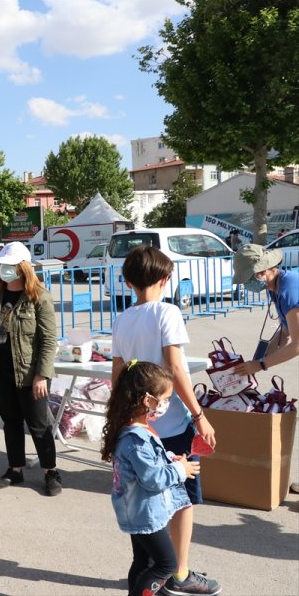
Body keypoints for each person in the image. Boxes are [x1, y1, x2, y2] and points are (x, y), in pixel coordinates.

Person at [110, 245, 220, 596]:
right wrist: (199, 415)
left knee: (147, 502)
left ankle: (152, 571)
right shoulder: (167, 312)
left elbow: (117, 375)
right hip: (171, 424)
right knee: (182, 500)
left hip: (140, 426)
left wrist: (120, 420)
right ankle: (179, 572)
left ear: (128, 282)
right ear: (165, 279)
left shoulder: (122, 319)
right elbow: (174, 367)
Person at [101, 361, 199, 596]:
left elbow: (148, 464)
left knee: (143, 562)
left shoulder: (137, 428)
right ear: (148, 400)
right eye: (164, 399)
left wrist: (170, 459)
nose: (166, 405)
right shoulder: (136, 439)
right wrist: (180, 470)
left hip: (139, 509)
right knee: (166, 565)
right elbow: (152, 478)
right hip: (145, 512)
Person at [0, 241, 62, 496]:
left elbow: (49, 340)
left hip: (29, 373)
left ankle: (51, 472)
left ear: (23, 267)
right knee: (11, 421)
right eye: (2, 266)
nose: (4, 270)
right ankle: (15, 469)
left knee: (39, 424)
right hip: (1, 370)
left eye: (9, 266)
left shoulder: (39, 297)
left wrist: (42, 375)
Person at [233, 244, 299, 376]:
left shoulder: (289, 290)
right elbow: (285, 332)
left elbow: (297, 344)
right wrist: (256, 363)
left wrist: (260, 364)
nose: (245, 285)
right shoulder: (274, 287)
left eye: (247, 280)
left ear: (262, 272)